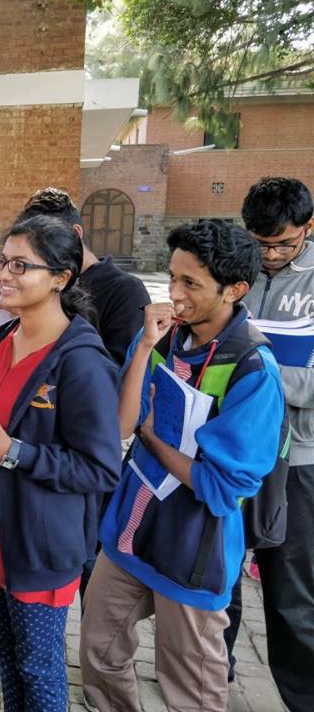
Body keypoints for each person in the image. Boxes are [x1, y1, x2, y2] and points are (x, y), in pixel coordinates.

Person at [80, 219, 285, 712]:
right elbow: (122, 425)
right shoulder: (165, 335)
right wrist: (146, 346)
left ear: (234, 290)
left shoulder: (253, 369)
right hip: (129, 532)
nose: (173, 293)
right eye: (172, 278)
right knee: (99, 651)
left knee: (190, 685)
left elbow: (220, 488)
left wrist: (154, 437)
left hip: (193, 549)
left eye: (190, 283)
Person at [0, 215, 122, 712]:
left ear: (61, 277)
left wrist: (13, 451)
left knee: (39, 669)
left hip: (39, 548)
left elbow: (101, 469)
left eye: (22, 265)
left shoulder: (80, 361)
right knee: (4, 654)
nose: (4, 274)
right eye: (2, 261)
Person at [15, 188, 151, 605]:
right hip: (31, 448)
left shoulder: (123, 291)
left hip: (84, 452)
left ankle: (85, 658)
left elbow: (114, 381)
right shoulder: (37, 287)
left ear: (75, 234)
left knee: (82, 567)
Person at [239, 177, 313, 712]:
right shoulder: (237, 267)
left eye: (283, 245)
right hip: (233, 448)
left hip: (299, 460)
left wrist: (260, 374)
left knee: (292, 597)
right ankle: (207, 680)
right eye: (260, 243)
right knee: (217, 578)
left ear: (308, 228)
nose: (268, 256)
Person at [15, 188, 149, 366]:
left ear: (76, 234)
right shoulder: (45, 282)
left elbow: (119, 370)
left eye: (45, 242)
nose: (38, 254)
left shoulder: (126, 290)